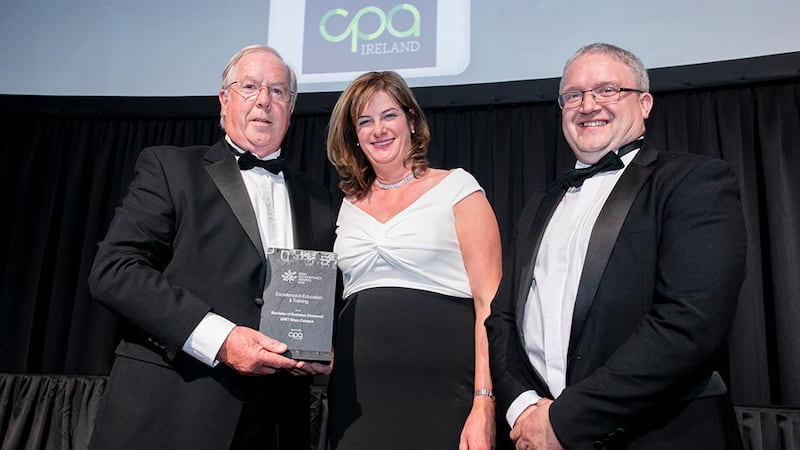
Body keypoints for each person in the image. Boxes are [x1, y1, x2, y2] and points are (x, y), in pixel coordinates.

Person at [486, 43, 747, 449]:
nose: (588, 105)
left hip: (660, 436)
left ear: (644, 103)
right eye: (573, 95)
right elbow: (501, 319)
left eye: (607, 90)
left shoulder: (695, 182)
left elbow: (687, 326)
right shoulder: (539, 203)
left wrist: (564, 421)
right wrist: (521, 408)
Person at [87, 45, 339, 450]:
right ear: (224, 99)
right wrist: (221, 340)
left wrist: (322, 345)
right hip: (172, 413)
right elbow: (114, 271)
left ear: (291, 108)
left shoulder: (319, 200)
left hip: (275, 425)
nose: (264, 100)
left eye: (278, 91)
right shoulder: (169, 168)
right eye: (250, 86)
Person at [325, 71, 503, 449]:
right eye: (365, 121)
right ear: (354, 135)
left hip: (446, 392)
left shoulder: (458, 188)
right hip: (357, 400)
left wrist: (484, 403)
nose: (378, 130)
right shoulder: (344, 207)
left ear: (410, 119)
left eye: (388, 115)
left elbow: (490, 305)